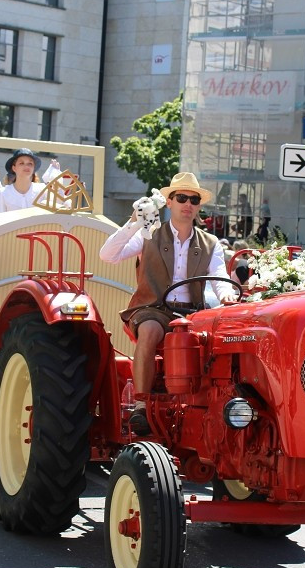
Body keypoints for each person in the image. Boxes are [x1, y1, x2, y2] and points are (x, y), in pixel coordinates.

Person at [100, 173, 239, 435]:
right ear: (169, 202)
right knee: (151, 330)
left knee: (225, 339)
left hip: (193, 313)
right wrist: (133, 221)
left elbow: (220, 278)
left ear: (199, 206)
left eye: (194, 199)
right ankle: (141, 403)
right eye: (182, 198)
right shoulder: (148, 234)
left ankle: (216, 407)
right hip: (152, 308)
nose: (188, 203)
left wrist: (227, 296)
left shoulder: (210, 244)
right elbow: (108, 255)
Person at [0, 148, 61, 212]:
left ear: (33, 168)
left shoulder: (43, 190)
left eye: (30, 164)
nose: (26, 166)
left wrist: (57, 178)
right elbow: (0, 219)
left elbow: (57, 209)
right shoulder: (4, 193)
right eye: (21, 163)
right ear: (14, 168)